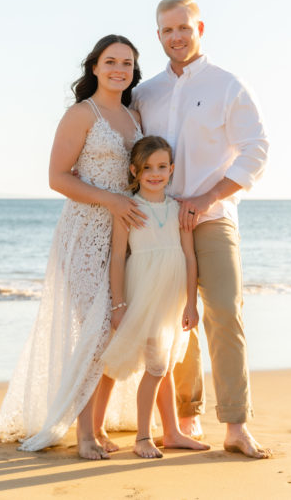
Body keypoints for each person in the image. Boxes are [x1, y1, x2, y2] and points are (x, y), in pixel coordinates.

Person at [0, 35, 148, 460]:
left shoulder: (135, 115)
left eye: (127, 63)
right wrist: (111, 200)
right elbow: (57, 178)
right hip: (86, 232)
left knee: (116, 329)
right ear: (94, 67)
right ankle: (84, 433)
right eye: (110, 61)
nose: (119, 69)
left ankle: (97, 424)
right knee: (93, 330)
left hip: (129, 235)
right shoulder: (81, 114)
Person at [131, 0, 271, 458]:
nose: (176, 37)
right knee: (174, 321)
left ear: (200, 28)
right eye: (167, 30)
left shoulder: (227, 86)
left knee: (225, 310)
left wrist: (209, 197)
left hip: (211, 217)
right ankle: (184, 418)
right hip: (159, 223)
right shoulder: (145, 93)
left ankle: (235, 424)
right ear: (157, 35)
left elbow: (256, 148)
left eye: (184, 28)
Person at [100, 136, 212, 458]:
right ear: (135, 170)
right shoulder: (129, 208)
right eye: (147, 167)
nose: (155, 173)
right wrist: (118, 303)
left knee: (162, 364)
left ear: (172, 169)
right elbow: (118, 257)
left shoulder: (179, 209)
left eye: (162, 167)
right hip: (143, 294)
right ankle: (143, 437)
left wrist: (191, 302)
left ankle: (173, 431)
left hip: (171, 298)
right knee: (156, 367)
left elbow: (190, 258)